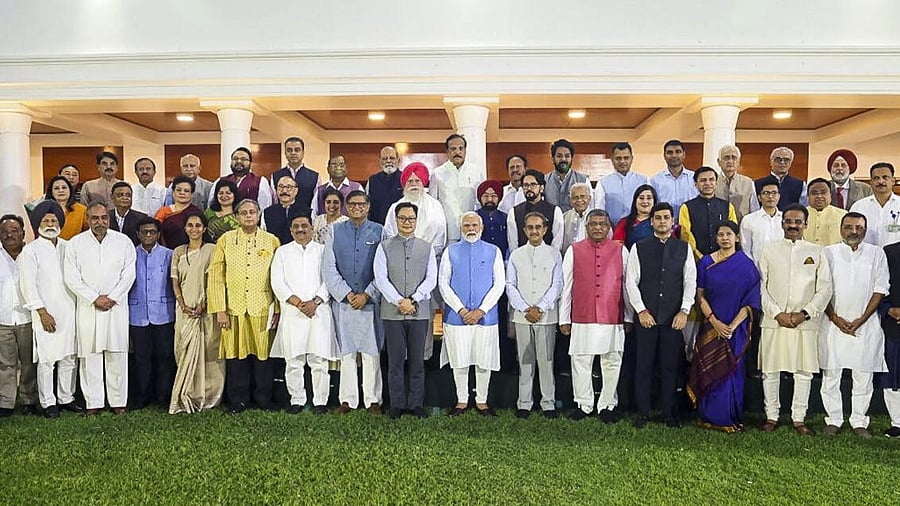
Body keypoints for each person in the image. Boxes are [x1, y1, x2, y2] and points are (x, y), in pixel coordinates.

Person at [757, 204, 832, 436]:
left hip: (805, 322)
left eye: (798, 222)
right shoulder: (769, 250)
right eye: (789, 221)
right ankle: (771, 416)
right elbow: (760, 286)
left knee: (803, 372)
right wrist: (777, 313)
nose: (793, 225)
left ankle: (799, 418)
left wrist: (804, 313)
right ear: (782, 223)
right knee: (771, 371)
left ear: (805, 225)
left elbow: (825, 289)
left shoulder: (817, 252)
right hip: (774, 320)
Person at [625, 203, 697, 428]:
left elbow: (690, 282)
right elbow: (631, 282)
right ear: (652, 221)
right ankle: (643, 413)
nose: (662, 221)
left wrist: (684, 311)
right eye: (658, 218)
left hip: (673, 319)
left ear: (672, 221)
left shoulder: (683, 248)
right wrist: (641, 310)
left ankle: (669, 413)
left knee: (670, 367)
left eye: (666, 217)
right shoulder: (639, 247)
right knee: (643, 366)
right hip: (646, 318)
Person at [208, 199, 280, 413]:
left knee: (263, 355)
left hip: (262, 307)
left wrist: (277, 309)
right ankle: (238, 400)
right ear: (237, 217)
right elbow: (216, 276)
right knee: (236, 355)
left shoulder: (271, 241)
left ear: (258, 215)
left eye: (252, 212)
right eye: (244, 213)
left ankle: (263, 399)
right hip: (233, 307)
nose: (248, 216)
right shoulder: (226, 240)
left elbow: (278, 277)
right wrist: (220, 309)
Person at [64, 202, 136, 415]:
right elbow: (71, 277)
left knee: (117, 354)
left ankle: (118, 402)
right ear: (87, 219)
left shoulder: (123, 242)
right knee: (90, 355)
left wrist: (112, 298)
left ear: (109, 219)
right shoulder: (75, 244)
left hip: (115, 307)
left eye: (104, 218)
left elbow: (129, 274)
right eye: (95, 218)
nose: (100, 222)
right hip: (89, 307)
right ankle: (93, 402)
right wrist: (94, 298)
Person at [820, 213, 887, 438]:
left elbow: (880, 288)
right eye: (849, 227)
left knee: (863, 376)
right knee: (831, 375)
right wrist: (834, 317)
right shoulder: (828, 253)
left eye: (859, 227)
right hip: (833, 323)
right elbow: (822, 289)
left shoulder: (876, 253)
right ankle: (834, 419)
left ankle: (859, 421)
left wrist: (862, 319)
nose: (854, 231)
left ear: (865, 230)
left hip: (866, 324)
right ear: (841, 229)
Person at [688, 221, 761, 432]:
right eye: (721, 234)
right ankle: (707, 416)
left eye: (729, 234)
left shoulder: (746, 265)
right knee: (710, 368)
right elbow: (700, 295)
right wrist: (715, 322)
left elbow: (751, 300)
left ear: (737, 238)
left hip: (735, 329)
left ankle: (729, 417)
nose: (725, 238)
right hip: (711, 325)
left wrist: (732, 326)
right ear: (716, 238)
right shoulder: (706, 262)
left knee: (732, 371)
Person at [560, 210, 630, 421]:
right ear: (586, 227)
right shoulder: (574, 250)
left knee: (611, 361)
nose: (598, 227)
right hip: (583, 314)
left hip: (612, 315)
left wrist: (629, 316)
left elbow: (626, 287)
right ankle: (584, 404)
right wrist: (564, 318)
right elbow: (566, 287)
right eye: (593, 224)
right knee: (581, 360)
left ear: (609, 227)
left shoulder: (621, 250)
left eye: (602, 224)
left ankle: (607, 404)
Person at [17, 201, 83, 418]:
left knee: (69, 357)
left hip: (70, 309)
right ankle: (48, 403)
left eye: (54, 220)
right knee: (47, 359)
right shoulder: (31, 250)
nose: (50, 224)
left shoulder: (68, 246)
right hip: (45, 312)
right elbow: (28, 285)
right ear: (38, 224)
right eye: (45, 221)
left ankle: (66, 398)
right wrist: (42, 312)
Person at [322, 191, 384, 414]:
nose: (357, 207)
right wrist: (347, 294)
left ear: (368, 206)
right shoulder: (334, 231)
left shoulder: (380, 231)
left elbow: (383, 269)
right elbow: (328, 267)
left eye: (361, 204)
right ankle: (347, 399)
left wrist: (367, 294)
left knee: (371, 352)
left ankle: (373, 399)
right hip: (344, 303)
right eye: (352, 204)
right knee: (346, 352)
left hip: (370, 302)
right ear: (346, 207)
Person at [374, 203, 437, 419]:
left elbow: (431, 278)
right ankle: (397, 404)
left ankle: (416, 403)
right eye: (403, 218)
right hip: (392, 313)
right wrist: (399, 301)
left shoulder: (427, 248)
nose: (407, 222)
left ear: (416, 221)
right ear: (396, 220)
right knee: (395, 361)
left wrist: (414, 299)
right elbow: (381, 278)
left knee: (417, 361)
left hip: (419, 312)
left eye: (411, 218)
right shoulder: (384, 247)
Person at [271, 213, 338, 416]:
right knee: (294, 359)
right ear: (291, 230)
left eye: (304, 226)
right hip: (293, 312)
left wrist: (315, 301)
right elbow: (277, 282)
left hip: (318, 311)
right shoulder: (282, 252)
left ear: (312, 228)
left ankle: (320, 401)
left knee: (319, 359)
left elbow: (330, 279)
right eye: (296, 226)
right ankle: (297, 400)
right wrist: (298, 303)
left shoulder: (323, 251)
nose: (300, 229)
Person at [439, 212, 505, 416]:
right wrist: (461, 309)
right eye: (466, 225)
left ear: (481, 227)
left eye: (474, 225)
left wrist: (481, 310)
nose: (471, 229)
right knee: (459, 360)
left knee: (484, 360)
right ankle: (461, 400)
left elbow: (499, 284)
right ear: (461, 228)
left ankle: (482, 401)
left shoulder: (493, 251)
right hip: (457, 317)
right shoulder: (450, 251)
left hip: (485, 317)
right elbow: (443, 284)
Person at [507, 212, 563, 419]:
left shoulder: (555, 254)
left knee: (546, 360)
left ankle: (548, 403)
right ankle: (524, 403)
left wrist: (540, 308)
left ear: (545, 230)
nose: (534, 231)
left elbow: (557, 284)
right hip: (522, 316)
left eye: (538, 227)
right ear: (524, 230)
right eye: (530, 227)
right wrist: (524, 308)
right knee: (525, 359)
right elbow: (510, 285)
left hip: (546, 316)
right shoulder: (516, 255)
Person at [168, 212, 224, 414]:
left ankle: (208, 397)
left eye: (198, 225)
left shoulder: (212, 250)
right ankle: (186, 395)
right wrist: (183, 304)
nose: (194, 229)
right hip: (184, 310)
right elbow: (175, 281)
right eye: (190, 225)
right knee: (183, 351)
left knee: (209, 351)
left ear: (204, 228)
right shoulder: (178, 251)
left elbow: (216, 279)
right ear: (185, 228)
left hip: (207, 311)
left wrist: (204, 305)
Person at [127, 217, 176, 409]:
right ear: (138, 234)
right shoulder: (130, 254)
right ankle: (142, 396)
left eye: (152, 232)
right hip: (138, 313)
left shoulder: (169, 254)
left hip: (163, 312)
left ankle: (163, 395)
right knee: (141, 357)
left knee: (165, 356)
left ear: (158, 234)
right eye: (144, 232)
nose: (148, 235)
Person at [0, 214, 37, 417]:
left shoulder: (32, 254)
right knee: (6, 363)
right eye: (4, 232)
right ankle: (6, 402)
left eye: (14, 231)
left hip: (27, 317)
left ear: (23, 233)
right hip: (3, 319)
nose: (9, 235)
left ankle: (29, 400)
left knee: (29, 362)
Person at [384, 162, 447, 259]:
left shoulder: (435, 206)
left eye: (417, 181)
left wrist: (428, 255)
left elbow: (440, 234)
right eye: (410, 181)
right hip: (400, 257)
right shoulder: (395, 207)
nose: (414, 184)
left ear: (423, 183)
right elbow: (389, 233)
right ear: (405, 185)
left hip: (429, 257)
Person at [430, 134, 482, 242]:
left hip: (471, 231)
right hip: (448, 232)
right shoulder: (437, 173)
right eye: (453, 149)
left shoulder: (477, 172)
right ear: (447, 152)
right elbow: (434, 205)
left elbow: (480, 203)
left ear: (465, 151)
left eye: (461, 148)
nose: (457, 152)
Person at [679, 166, 737, 261]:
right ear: (695, 184)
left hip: (725, 259)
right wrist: (701, 258)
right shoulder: (687, 207)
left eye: (711, 180)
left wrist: (722, 256)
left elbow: (732, 233)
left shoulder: (727, 206)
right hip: (697, 260)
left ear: (716, 183)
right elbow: (686, 235)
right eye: (703, 180)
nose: (708, 183)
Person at [507, 169, 564, 251]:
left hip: (548, 256)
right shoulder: (514, 212)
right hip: (522, 257)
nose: (529, 188)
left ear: (541, 187)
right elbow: (513, 244)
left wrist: (550, 256)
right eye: (525, 185)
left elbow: (557, 242)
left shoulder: (555, 211)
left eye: (533, 184)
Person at [850, 162, 900, 247]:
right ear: (871, 182)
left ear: (893, 181)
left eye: (885, 177)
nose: (881, 181)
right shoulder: (859, 207)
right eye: (876, 178)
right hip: (866, 254)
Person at [209, 147, 274, 210]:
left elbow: (265, 208)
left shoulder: (260, 181)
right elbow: (211, 204)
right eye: (235, 158)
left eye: (243, 159)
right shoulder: (220, 181)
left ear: (250, 163)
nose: (239, 161)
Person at [880, 240, 900, 438]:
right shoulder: (890, 252)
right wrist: (888, 310)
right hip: (894, 323)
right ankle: (897, 422)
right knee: (893, 373)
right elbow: (879, 285)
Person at [600, 142, 648, 225]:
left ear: (632, 159)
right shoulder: (603, 183)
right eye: (618, 158)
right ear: (612, 159)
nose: (622, 161)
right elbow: (599, 209)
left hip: (639, 227)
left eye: (626, 158)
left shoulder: (643, 181)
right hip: (612, 228)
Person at [739, 177, 783, 265]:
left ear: (779, 196)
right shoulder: (749, 220)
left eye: (774, 193)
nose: (770, 196)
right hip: (757, 269)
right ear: (759, 197)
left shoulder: (785, 219)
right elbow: (745, 249)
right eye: (766, 193)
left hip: (781, 268)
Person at [650, 140, 698, 218]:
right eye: (670, 152)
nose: (674, 155)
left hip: (691, 222)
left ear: (684, 154)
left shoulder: (694, 178)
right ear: (664, 156)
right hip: (665, 223)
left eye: (678, 152)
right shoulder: (655, 181)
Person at [270, 137, 319, 213]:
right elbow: (274, 202)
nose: (293, 153)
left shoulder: (314, 177)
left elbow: (315, 206)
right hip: (281, 217)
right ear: (285, 153)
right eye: (289, 150)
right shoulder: (275, 176)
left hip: (306, 217)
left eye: (297, 150)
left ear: (303, 153)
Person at [713, 144, 758, 222]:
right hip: (718, 226)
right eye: (726, 158)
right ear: (719, 162)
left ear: (738, 162)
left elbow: (754, 210)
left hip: (743, 226)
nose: (730, 161)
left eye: (734, 158)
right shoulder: (712, 182)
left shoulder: (748, 182)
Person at [754, 147, 807, 211]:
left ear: (790, 163)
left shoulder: (800, 184)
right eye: (778, 159)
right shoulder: (756, 184)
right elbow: (754, 208)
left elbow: (803, 208)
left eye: (786, 160)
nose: (782, 162)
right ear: (771, 162)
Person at [155, 175, 201, 249]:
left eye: (186, 191)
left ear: (192, 194)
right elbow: (156, 233)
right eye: (178, 190)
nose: (182, 193)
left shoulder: (196, 212)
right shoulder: (163, 212)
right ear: (173, 192)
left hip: (190, 252)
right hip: (166, 251)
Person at [544, 139, 589, 213]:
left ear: (571, 158)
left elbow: (589, 207)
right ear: (553, 159)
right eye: (559, 156)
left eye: (567, 156)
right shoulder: (544, 180)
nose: (563, 159)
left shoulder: (583, 180)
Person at [262, 175, 306, 245]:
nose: (284, 191)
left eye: (288, 187)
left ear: (296, 190)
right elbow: (264, 236)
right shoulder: (267, 213)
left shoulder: (307, 212)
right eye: (281, 187)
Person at [366, 146, 404, 225]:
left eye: (392, 158)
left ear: (398, 160)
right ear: (380, 161)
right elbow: (367, 206)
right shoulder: (372, 180)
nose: (388, 161)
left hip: (399, 226)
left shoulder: (405, 179)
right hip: (376, 226)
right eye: (384, 158)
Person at [612, 184, 658, 248]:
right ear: (635, 201)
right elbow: (617, 246)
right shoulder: (624, 222)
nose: (645, 201)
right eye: (641, 198)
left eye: (649, 198)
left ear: (654, 201)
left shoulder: (659, 221)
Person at [805, 177, 846, 246]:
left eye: (823, 192)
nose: (819, 196)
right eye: (814, 193)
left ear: (830, 194)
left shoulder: (843, 215)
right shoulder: (801, 215)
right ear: (808, 196)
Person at [45, 175, 88, 240]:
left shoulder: (82, 210)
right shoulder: (45, 210)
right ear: (51, 192)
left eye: (64, 187)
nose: (61, 190)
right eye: (56, 188)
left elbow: (87, 233)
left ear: (70, 190)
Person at [108, 181, 148, 246]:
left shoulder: (142, 218)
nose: (125, 198)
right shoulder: (105, 216)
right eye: (120, 195)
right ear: (112, 197)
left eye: (128, 195)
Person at [476, 180, 509, 259]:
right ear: (480, 198)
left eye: (494, 196)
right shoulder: (474, 218)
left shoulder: (506, 218)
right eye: (486, 196)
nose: (490, 199)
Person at [561, 182, 593, 251]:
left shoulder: (598, 217)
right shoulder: (564, 218)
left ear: (589, 198)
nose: (579, 200)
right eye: (575, 197)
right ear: (570, 200)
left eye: (582, 196)